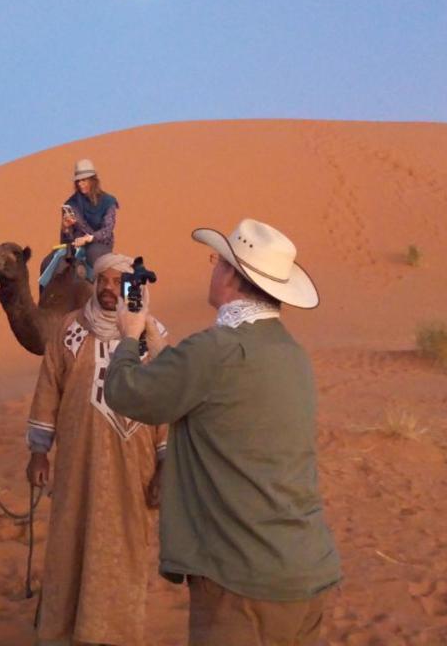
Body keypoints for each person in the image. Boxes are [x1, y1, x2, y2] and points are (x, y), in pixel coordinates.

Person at [103, 219, 341, 646]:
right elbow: (218, 396)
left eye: (217, 261)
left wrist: (128, 337)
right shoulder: (291, 354)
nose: (212, 270)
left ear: (231, 275)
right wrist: (163, 352)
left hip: (242, 582)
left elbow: (126, 393)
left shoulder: (216, 351)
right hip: (307, 570)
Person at [25, 253, 168, 646]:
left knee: (124, 548)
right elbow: (48, 389)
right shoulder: (70, 331)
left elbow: (167, 404)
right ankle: (63, 631)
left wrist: (165, 464)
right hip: (77, 464)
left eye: (117, 282)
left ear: (133, 288)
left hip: (132, 470)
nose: (107, 289)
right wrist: (39, 451)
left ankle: (114, 635)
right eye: (102, 281)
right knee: (70, 544)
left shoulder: (152, 337)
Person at [58, 159, 118, 273]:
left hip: (100, 246)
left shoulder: (108, 202)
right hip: (75, 248)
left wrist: (89, 238)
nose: (80, 184)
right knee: (56, 262)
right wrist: (65, 228)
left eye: (84, 180)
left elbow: (107, 231)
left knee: (93, 253)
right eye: (78, 181)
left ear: (93, 180)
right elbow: (66, 240)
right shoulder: (71, 204)